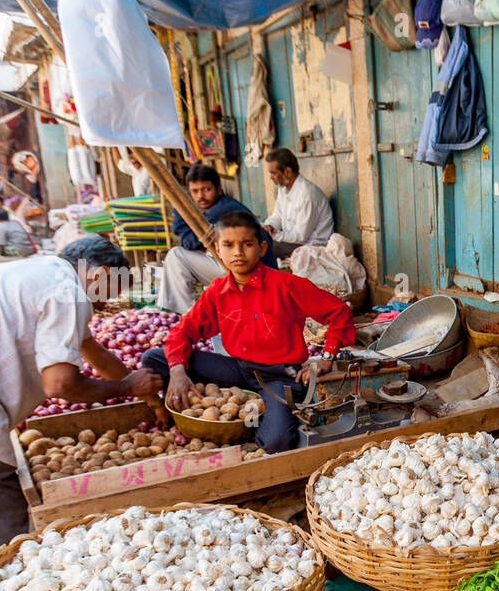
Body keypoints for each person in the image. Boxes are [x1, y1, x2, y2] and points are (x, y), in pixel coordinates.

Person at [0, 236, 163, 591]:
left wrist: (146, 395)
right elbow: (60, 383)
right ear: (100, 275)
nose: (106, 306)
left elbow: (95, 352)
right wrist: (124, 387)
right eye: (108, 294)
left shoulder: (39, 274)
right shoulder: (67, 289)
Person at [141, 211, 355, 454]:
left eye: (247, 244)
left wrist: (326, 359)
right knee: (154, 359)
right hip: (237, 372)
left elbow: (339, 312)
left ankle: (249, 426)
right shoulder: (217, 291)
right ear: (217, 250)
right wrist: (177, 369)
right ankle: (200, 412)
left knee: (277, 442)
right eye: (228, 245)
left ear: (262, 248)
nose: (238, 252)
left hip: (279, 377)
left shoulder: (286, 285)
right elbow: (183, 331)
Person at [158, 163, 277, 314]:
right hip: (243, 269)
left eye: (206, 190)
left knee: (176, 255)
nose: (200, 196)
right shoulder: (218, 206)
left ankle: (180, 315)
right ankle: (176, 313)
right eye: (195, 191)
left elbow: (189, 242)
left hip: (251, 275)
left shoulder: (221, 209)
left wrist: (179, 211)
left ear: (219, 189)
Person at [262, 147, 334, 259]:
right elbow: (277, 215)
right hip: (291, 242)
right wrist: (270, 225)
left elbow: (301, 236)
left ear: (288, 172)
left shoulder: (306, 194)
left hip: (309, 246)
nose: (271, 178)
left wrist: (275, 235)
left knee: (261, 248)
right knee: (258, 241)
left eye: (273, 173)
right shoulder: (283, 189)